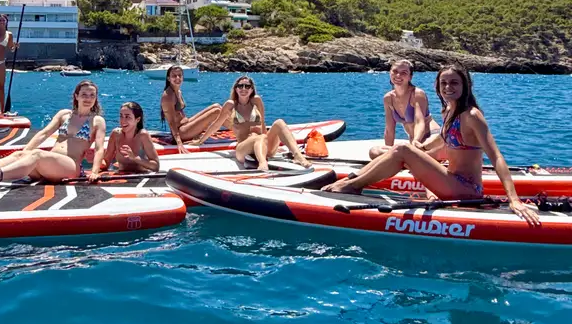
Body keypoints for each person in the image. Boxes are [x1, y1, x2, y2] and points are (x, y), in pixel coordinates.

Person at [323, 64, 540, 225]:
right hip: (451, 180)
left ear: (466, 85)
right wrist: (420, 150)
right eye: (443, 83)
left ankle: (353, 185)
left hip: (466, 189)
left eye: (454, 82)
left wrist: (514, 200)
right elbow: (438, 141)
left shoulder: (472, 115)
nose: (448, 87)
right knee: (403, 150)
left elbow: (497, 157)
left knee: (404, 149)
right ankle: (353, 181)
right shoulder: (449, 112)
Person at [0, 80, 106, 188]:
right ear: (76, 96)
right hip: (49, 165)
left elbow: (99, 149)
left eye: (92, 95)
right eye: (84, 94)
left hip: (70, 167)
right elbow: (44, 134)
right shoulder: (64, 115)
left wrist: (94, 172)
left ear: (95, 98)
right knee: (20, 154)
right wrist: (25, 151)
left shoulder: (97, 121)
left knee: (37, 155)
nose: (88, 98)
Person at [211, 76, 310, 170]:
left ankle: (298, 156)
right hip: (243, 148)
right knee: (259, 137)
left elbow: (262, 122)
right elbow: (216, 124)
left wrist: (267, 143)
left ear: (252, 89)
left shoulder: (256, 100)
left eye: (247, 86)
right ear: (236, 89)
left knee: (279, 123)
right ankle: (263, 163)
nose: (243, 88)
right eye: (240, 86)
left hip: (261, 143)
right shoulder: (231, 104)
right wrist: (200, 141)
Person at [368, 59, 440, 157]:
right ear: (390, 73)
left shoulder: (417, 94)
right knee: (374, 152)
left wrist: (416, 141)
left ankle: (411, 156)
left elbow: (419, 122)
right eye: (395, 71)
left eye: (403, 73)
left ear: (410, 77)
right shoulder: (388, 98)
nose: (398, 75)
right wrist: (387, 156)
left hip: (431, 139)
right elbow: (389, 129)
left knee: (415, 155)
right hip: (413, 143)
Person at [160, 66, 224, 154]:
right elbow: (171, 122)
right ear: (168, 78)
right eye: (174, 76)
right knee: (216, 112)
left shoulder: (178, 91)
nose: (177, 78)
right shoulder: (168, 96)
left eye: (179, 75)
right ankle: (238, 131)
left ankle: (237, 126)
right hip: (182, 132)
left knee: (216, 106)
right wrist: (179, 142)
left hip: (186, 124)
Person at [103, 102, 160, 174]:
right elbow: (106, 162)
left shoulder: (143, 135)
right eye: (121, 116)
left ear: (137, 119)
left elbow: (156, 166)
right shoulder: (115, 134)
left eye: (127, 117)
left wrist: (135, 158)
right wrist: (95, 160)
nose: (123, 121)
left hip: (141, 177)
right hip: (122, 178)